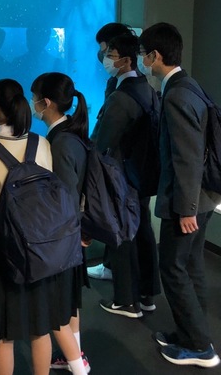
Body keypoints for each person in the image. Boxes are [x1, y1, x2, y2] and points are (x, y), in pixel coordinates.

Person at [0, 79, 76, 375]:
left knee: (3, 335)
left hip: (2, 255)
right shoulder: (41, 143)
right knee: (40, 329)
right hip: (42, 250)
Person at [138, 22, 221, 368]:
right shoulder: (191, 85)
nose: (143, 61)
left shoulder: (176, 95)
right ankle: (192, 331)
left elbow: (186, 158)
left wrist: (184, 209)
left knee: (172, 267)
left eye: (144, 55)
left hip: (188, 202)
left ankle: (200, 346)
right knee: (190, 265)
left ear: (155, 56)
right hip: (204, 199)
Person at [90, 33, 161, 318]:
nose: (105, 58)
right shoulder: (146, 89)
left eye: (109, 53)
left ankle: (126, 300)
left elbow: (104, 140)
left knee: (121, 232)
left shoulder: (122, 97)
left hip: (122, 177)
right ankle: (146, 295)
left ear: (125, 59)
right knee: (142, 230)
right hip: (141, 175)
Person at [30, 72, 92, 374]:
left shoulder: (60, 142)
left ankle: (76, 362)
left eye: (34, 98)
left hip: (64, 238)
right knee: (69, 302)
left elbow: (65, 195)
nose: (32, 104)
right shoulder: (70, 132)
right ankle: (74, 356)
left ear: (47, 103)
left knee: (59, 305)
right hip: (73, 235)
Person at [87, 22, 136, 282]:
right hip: (125, 168)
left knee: (122, 220)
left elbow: (107, 131)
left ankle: (125, 293)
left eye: (105, 50)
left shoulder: (124, 91)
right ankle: (113, 269)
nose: (102, 56)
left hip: (121, 168)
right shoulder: (120, 85)